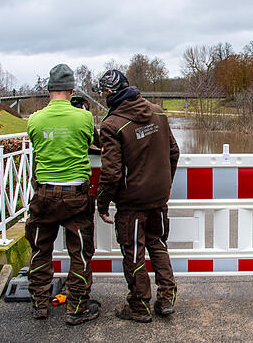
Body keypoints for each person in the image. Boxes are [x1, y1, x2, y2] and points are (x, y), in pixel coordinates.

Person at [96, 69, 179, 323]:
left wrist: (102, 202)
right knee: (157, 243)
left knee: (133, 251)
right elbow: (173, 152)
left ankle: (139, 304)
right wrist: (165, 184)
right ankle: (167, 298)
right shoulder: (159, 112)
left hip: (132, 203)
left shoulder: (111, 125)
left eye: (103, 92)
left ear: (109, 93)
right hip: (158, 198)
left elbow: (111, 173)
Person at [25, 63, 99, 325]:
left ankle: (39, 304)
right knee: (79, 252)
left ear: (49, 90)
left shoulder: (35, 120)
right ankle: (76, 307)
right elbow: (91, 142)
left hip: (44, 195)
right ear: (70, 90)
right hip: (76, 196)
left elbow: (38, 145)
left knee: (40, 248)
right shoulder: (84, 117)